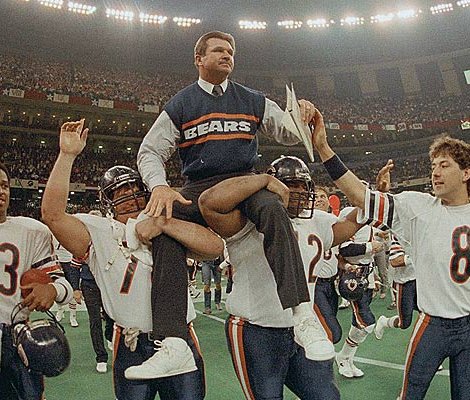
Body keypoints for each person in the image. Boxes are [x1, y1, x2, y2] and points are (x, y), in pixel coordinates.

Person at [135, 30, 321, 377]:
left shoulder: (253, 98)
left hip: (243, 182)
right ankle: (174, 341)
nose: (227, 55)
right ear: (199, 59)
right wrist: (159, 186)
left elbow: (287, 131)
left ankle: (301, 315)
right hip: (198, 183)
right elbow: (149, 151)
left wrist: (301, 115)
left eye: (231, 51)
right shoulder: (181, 103)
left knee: (272, 208)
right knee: (164, 222)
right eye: (219, 50)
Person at [41, 120, 224, 398]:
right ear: (106, 201)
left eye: (130, 189)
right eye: (117, 192)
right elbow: (53, 215)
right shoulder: (99, 231)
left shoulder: (165, 217)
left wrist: (165, 225)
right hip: (131, 342)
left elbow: (215, 247)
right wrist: (67, 155)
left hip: (179, 337)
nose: (126, 195)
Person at [311, 109, 470, 400]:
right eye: (433, 165)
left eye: (444, 165)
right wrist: (323, 147)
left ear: (466, 172)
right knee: (410, 395)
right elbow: (360, 195)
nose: (435, 171)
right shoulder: (418, 207)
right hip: (433, 323)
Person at [198, 155, 367, 399]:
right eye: (289, 185)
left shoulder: (317, 222)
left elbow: (353, 222)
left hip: (299, 331)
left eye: (301, 186)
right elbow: (209, 203)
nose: (297, 192)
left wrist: (375, 197)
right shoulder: (248, 221)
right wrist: (262, 180)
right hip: (256, 330)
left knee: (327, 396)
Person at [0, 161, 73, 400]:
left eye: (4, 186)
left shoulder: (30, 231)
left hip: (14, 338)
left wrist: (51, 289)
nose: (1, 191)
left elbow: (64, 287)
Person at [53, 236, 80, 327]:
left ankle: (73, 316)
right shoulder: (52, 230)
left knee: (73, 288)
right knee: (58, 287)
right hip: (57, 261)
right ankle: (60, 310)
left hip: (69, 261)